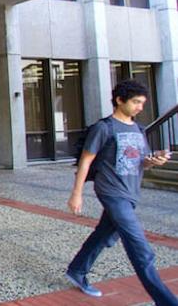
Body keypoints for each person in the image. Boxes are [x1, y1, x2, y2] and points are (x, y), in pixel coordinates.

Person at [66, 80, 176, 304]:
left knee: (104, 235)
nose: (139, 107)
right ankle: (165, 301)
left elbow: (139, 161)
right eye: (136, 102)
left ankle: (77, 270)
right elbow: (86, 162)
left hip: (130, 193)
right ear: (119, 100)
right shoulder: (104, 128)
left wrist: (154, 161)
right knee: (141, 249)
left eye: (142, 103)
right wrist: (76, 194)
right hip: (111, 193)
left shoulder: (138, 128)